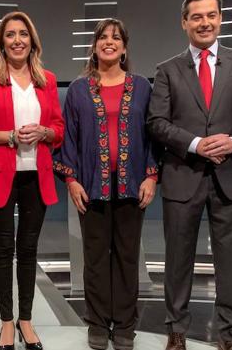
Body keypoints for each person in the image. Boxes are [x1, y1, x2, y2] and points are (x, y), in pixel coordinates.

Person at [147, 0, 232, 350]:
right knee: (177, 261)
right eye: (196, 16)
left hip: (230, 177)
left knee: (229, 262)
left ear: (220, 19)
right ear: (184, 22)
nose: (205, 22)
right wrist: (195, 144)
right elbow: (156, 122)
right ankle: (176, 330)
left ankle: (229, 335)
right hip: (182, 176)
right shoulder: (167, 70)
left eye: (211, 15)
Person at [53, 19, 158, 350]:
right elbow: (68, 138)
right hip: (91, 187)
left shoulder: (142, 87)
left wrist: (152, 176)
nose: (109, 42)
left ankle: (125, 325)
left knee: (127, 257)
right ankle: (97, 323)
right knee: (95, 257)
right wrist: (71, 180)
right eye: (103, 37)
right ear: (95, 46)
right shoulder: (78, 91)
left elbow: (154, 135)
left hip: (132, 187)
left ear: (124, 48)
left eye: (116, 38)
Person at [0, 11, 64, 350]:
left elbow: (59, 130)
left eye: (23, 34)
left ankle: (26, 319)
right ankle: (7, 323)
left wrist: (44, 131)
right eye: (11, 35)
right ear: (2, 43)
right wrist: (7, 136)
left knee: (29, 249)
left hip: (37, 175)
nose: (18, 40)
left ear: (32, 41)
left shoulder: (47, 80)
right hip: (0, 174)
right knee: (3, 248)